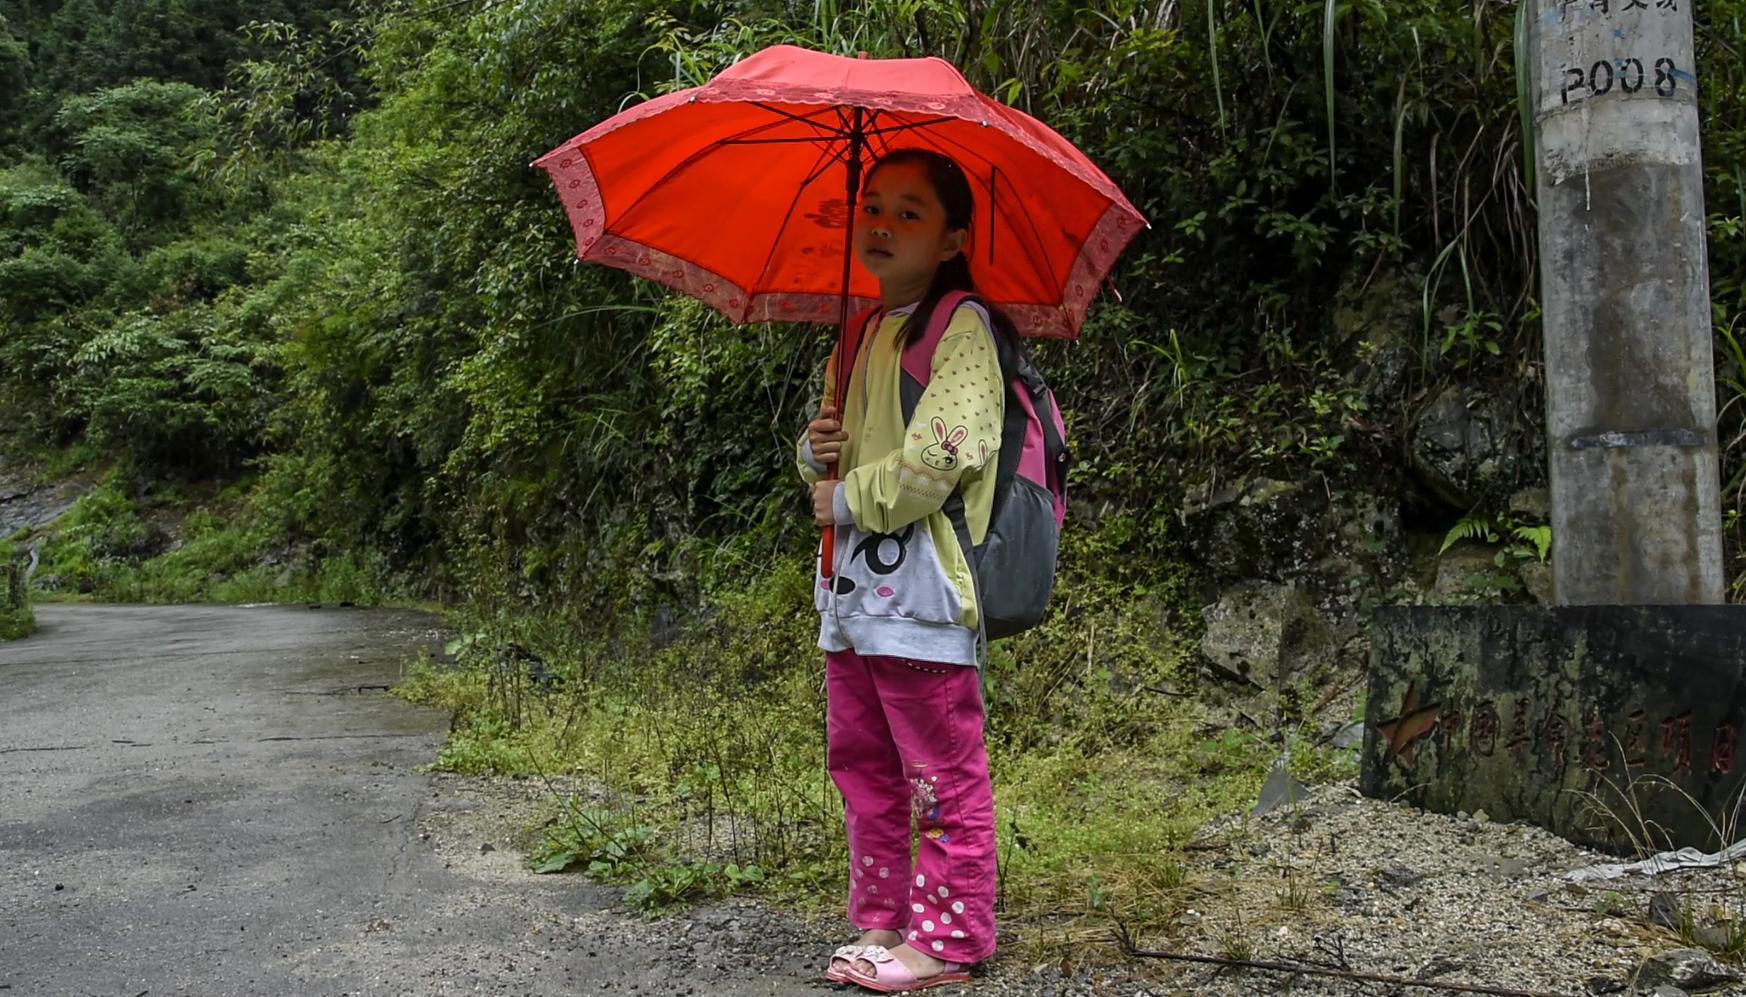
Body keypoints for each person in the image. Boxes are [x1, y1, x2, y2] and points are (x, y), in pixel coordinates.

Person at [798, 147, 1006, 992]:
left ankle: (949, 940)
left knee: (938, 766)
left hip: (922, 590)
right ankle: (884, 921)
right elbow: (830, 464)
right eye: (872, 207)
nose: (880, 224)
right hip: (851, 594)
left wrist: (843, 496)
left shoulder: (961, 326)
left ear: (954, 237)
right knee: (865, 764)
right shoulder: (856, 330)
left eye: (909, 212)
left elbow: (940, 460)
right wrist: (814, 455)